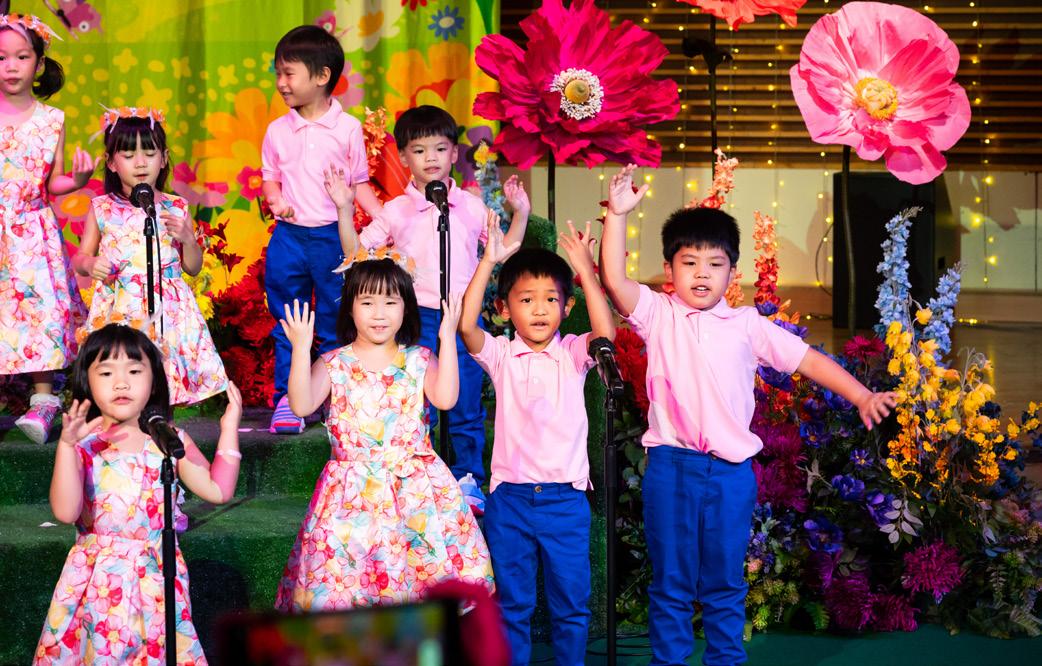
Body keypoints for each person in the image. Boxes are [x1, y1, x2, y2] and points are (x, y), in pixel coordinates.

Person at [599, 164, 898, 666]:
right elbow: (613, 277)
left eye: (714, 264)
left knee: (724, 581)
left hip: (730, 474)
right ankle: (669, 661)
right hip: (671, 468)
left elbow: (808, 360)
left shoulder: (746, 325)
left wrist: (862, 395)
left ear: (732, 274)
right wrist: (618, 215)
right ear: (669, 271)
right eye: (689, 262)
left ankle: (725, 660)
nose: (701, 273)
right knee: (671, 581)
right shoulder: (658, 313)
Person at [334, 104, 531, 514]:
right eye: (420, 151)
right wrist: (342, 209)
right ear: (404, 157)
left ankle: (467, 476)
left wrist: (522, 212)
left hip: (462, 317)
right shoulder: (396, 210)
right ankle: (419, 476)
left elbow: (505, 248)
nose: (431, 159)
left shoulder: (470, 206)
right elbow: (356, 254)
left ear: (454, 154)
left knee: (465, 400)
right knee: (417, 400)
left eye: (440, 149)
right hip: (417, 319)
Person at [274, 251, 493, 611]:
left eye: (390, 302)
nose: (379, 313)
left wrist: (447, 338)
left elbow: (446, 398)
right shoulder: (333, 363)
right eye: (367, 302)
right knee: (343, 590)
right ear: (350, 308)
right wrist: (300, 348)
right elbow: (301, 405)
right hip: (350, 498)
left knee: (415, 590)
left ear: (406, 307)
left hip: (414, 493)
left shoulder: (420, 358)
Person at [33, 324, 243, 664]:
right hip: (99, 583)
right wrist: (66, 447)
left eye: (134, 371)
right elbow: (66, 511)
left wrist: (229, 428)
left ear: (154, 380)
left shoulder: (168, 440)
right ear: (87, 381)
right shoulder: (84, 445)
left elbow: (217, 489)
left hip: (156, 579)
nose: (121, 383)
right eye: (106, 372)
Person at [459, 216, 615, 666]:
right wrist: (488, 262)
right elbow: (467, 328)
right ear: (505, 308)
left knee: (572, 606)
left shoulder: (573, 353)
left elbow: (606, 334)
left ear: (567, 306)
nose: (540, 309)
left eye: (551, 299)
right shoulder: (502, 355)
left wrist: (586, 272)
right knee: (513, 607)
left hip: (566, 501)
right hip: (510, 500)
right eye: (527, 299)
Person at [262, 24, 382, 434]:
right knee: (288, 320)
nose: (281, 83)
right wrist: (275, 199)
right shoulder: (277, 130)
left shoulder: (346, 128)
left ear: (322, 76)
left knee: (336, 320)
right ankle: (288, 400)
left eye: (289, 73)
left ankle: (336, 399)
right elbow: (270, 177)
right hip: (289, 238)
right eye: (278, 73)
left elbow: (359, 183)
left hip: (333, 237)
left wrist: (385, 217)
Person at [73, 107, 229, 406]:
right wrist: (90, 264)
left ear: (164, 158)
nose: (141, 163)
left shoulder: (176, 206)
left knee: (165, 383)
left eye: (149, 153)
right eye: (128, 155)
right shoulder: (103, 207)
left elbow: (193, 268)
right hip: (122, 305)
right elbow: (80, 258)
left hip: (168, 308)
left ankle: (162, 424)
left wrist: (188, 240)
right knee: (126, 373)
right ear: (111, 162)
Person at [0, 13, 94, 443]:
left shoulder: (50, 118)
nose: (11, 66)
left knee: (38, 312)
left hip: (31, 233)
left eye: (22, 57)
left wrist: (75, 181)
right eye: (2, 58)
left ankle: (43, 401)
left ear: (39, 64)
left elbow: (50, 181)